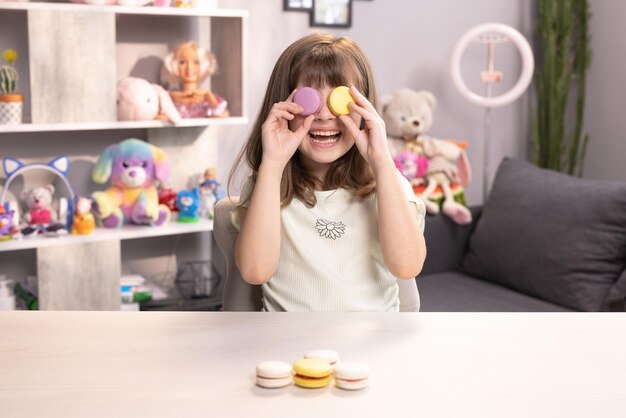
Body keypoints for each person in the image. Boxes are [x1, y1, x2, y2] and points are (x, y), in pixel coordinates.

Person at [229, 34, 426, 312]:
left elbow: (407, 267)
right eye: (309, 101)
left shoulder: (389, 184)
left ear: (365, 108)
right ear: (282, 105)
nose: (323, 116)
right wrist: (272, 164)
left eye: (339, 101)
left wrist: (382, 162)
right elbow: (254, 271)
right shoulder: (267, 187)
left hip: (371, 345)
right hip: (289, 344)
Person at [162, 41, 228, 118]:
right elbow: (160, 117)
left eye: (196, 62)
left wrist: (208, 95)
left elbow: (222, 114)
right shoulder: (170, 97)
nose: (189, 68)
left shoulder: (206, 98)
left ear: (204, 64)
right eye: (182, 62)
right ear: (174, 65)